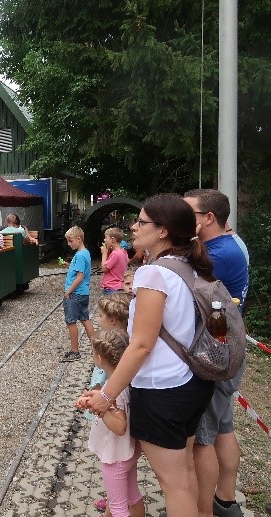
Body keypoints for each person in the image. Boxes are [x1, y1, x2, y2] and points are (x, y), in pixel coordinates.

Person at [85, 193, 216, 515]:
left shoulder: (153, 273)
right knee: (184, 474)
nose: (133, 226)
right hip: (190, 382)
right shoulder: (189, 266)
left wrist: (106, 394)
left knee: (174, 485)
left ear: (163, 230)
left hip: (162, 391)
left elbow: (141, 344)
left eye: (141, 222)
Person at [183, 189, 250, 517]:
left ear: (208, 218)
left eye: (188, 214)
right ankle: (225, 501)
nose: (182, 220)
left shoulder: (216, 255)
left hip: (214, 357)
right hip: (229, 351)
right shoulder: (233, 243)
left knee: (201, 440)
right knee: (223, 428)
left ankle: (200, 510)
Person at [75, 329, 145, 517]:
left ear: (99, 358)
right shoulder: (125, 381)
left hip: (115, 456)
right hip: (128, 451)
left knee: (118, 508)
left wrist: (100, 409)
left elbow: (120, 426)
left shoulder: (112, 389)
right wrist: (94, 398)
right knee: (133, 496)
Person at [62, 226, 95, 362]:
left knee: (71, 322)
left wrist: (68, 292)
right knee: (85, 319)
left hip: (75, 294)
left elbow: (80, 277)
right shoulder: (85, 252)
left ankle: (75, 351)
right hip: (83, 293)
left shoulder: (80, 255)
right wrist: (68, 265)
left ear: (79, 239)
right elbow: (80, 271)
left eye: (70, 241)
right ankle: (96, 347)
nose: (69, 244)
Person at [100, 227, 129, 295]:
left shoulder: (115, 254)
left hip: (111, 287)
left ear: (112, 239)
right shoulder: (124, 252)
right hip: (119, 286)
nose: (104, 240)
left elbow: (104, 269)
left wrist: (104, 254)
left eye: (106, 237)